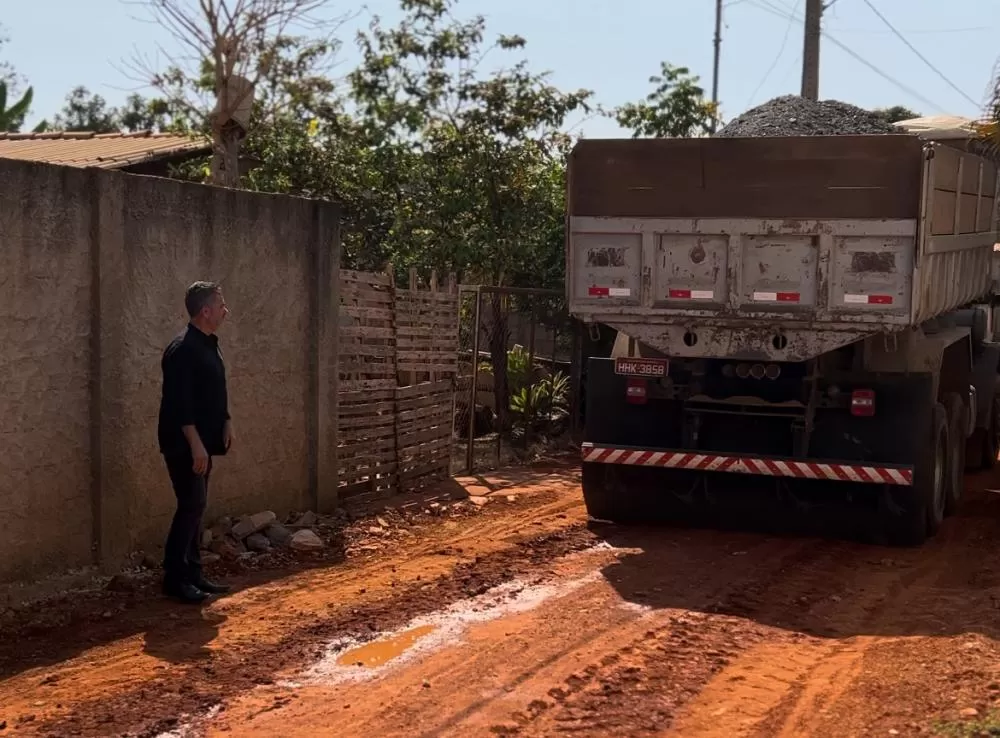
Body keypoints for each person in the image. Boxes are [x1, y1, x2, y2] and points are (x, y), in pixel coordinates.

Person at [157, 281, 234, 603]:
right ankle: (175, 579)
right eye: (221, 305)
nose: (225, 310)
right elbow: (179, 403)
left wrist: (226, 420)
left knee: (197, 506)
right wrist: (195, 444)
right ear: (205, 311)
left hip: (202, 442)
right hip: (184, 444)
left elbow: (215, 389)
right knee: (191, 504)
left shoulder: (208, 344)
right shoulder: (182, 350)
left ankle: (193, 574)